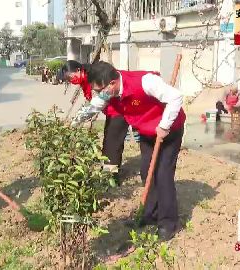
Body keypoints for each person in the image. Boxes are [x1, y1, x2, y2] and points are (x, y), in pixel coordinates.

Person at [71, 61, 185, 241]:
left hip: (168, 130)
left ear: (112, 83)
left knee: (163, 175)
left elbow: (176, 97)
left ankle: (170, 223)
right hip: (148, 132)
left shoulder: (146, 82)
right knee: (146, 171)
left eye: (101, 90)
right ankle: (150, 215)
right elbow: (93, 107)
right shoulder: (108, 91)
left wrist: (164, 126)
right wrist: (73, 124)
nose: (101, 95)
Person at [62, 60, 160, 184]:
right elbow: (95, 103)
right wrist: (78, 120)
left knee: (112, 145)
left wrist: (76, 122)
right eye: (68, 79)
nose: (71, 80)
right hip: (114, 109)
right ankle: (110, 173)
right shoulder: (88, 78)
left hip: (118, 110)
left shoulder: (95, 77)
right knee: (110, 143)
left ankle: (111, 177)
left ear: (78, 70)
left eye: (70, 77)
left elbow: (98, 101)